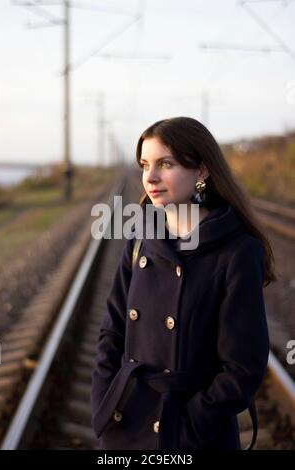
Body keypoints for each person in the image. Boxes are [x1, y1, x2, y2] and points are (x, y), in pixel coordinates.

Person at [91, 117, 275, 451]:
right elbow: (112, 332)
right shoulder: (139, 240)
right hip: (127, 425)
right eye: (145, 164)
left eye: (166, 164)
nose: (151, 177)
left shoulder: (237, 251)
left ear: (201, 172)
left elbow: (242, 368)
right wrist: (104, 401)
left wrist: (188, 428)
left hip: (192, 437)